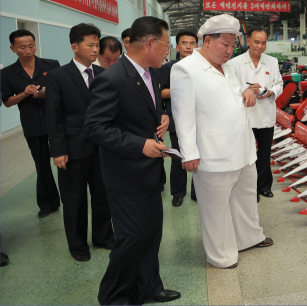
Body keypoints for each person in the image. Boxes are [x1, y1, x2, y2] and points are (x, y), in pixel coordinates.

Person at [84, 16, 177, 305]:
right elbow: (95, 128)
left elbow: (138, 113)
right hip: (125, 176)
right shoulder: (112, 79)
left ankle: (149, 286)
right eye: (166, 45)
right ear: (149, 43)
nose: (168, 52)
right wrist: (140, 144)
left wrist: (160, 118)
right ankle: (113, 296)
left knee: (150, 235)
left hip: (149, 173)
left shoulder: (152, 74)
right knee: (132, 238)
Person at [171, 14, 273, 270]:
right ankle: (221, 255)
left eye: (232, 45)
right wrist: (189, 152)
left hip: (243, 149)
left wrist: (248, 91)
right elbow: (182, 115)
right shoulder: (185, 68)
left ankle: (248, 238)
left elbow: (238, 91)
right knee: (215, 209)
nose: (229, 51)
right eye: (224, 45)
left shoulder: (227, 68)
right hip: (212, 153)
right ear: (206, 41)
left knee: (245, 199)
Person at [46, 24, 115, 262]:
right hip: (73, 149)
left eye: (97, 45)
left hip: (102, 147)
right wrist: (58, 151)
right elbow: (53, 116)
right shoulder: (58, 76)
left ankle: (103, 236)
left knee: (103, 194)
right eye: (91, 45)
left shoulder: (103, 74)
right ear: (75, 47)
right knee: (74, 200)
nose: (96, 49)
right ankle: (77, 245)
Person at [1, 30, 60, 218]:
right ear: (13, 49)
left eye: (31, 46)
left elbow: (61, 91)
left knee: (65, 160)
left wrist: (46, 93)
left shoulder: (51, 65)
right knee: (41, 164)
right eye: (22, 47)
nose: (28, 50)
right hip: (32, 123)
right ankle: (47, 203)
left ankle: (68, 198)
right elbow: (8, 102)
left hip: (55, 120)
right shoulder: (7, 73)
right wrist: (24, 94)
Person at [229, 27, 283, 200]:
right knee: (248, 156)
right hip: (246, 117)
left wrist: (270, 92)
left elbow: (279, 84)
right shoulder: (235, 63)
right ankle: (250, 189)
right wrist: (246, 90)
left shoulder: (272, 62)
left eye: (263, 43)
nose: (260, 46)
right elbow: (231, 87)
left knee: (265, 154)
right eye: (257, 42)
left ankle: (264, 186)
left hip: (266, 115)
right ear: (248, 41)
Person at [156, 30, 198, 207]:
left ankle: (198, 193)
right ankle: (178, 192)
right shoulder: (169, 68)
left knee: (200, 158)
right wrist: (181, 90)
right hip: (176, 119)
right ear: (177, 46)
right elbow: (161, 92)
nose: (188, 46)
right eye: (184, 43)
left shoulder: (202, 66)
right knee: (178, 158)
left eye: (192, 43)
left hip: (200, 119)